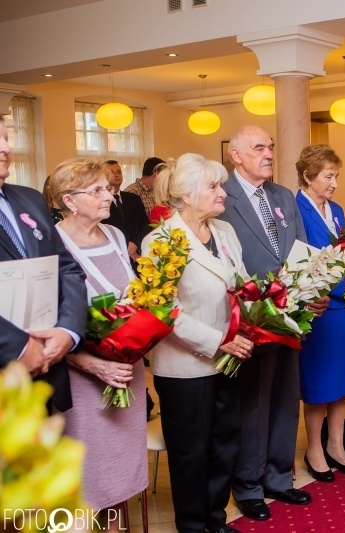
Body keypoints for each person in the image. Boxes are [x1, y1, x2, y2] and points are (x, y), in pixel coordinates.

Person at [217, 126, 325, 521]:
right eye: (258, 147)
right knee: (253, 402)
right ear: (236, 155)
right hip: (251, 317)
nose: (268, 153)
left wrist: (310, 289)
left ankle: (280, 477)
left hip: (292, 314)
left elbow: (302, 248)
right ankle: (247, 484)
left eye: (270, 146)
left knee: (284, 395)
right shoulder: (221, 197)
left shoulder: (281, 195)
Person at [142, 153, 253, 533]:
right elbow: (163, 310)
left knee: (225, 443)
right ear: (187, 195)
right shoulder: (159, 240)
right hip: (185, 365)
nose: (223, 193)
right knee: (191, 452)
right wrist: (217, 340)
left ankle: (215, 518)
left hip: (229, 358)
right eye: (214, 186)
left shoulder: (224, 232)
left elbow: (240, 284)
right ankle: (191, 524)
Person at [48, 158, 148, 526]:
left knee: (119, 480)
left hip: (126, 372)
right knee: (84, 481)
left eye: (109, 188)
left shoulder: (117, 236)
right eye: (99, 190)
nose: (110, 195)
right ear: (69, 200)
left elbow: (134, 298)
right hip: (82, 381)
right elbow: (46, 325)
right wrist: (93, 364)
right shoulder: (51, 244)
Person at [295, 144, 345, 481]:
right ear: (307, 176)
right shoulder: (295, 210)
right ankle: (314, 448)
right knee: (320, 382)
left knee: (342, 380)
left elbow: (344, 255)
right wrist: (344, 286)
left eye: (336, 176)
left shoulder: (338, 209)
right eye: (328, 176)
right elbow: (300, 263)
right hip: (320, 309)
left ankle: (337, 444)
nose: (334, 183)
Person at [0, 119, 86, 414]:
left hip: (48, 371)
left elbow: (68, 270)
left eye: (7, 138)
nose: (6, 148)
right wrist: (20, 346)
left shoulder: (30, 199)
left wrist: (67, 331)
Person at [102, 160, 149, 262]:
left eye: (119, 172)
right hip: (114, 257)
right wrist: (125, 249)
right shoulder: (100, 202)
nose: (117, 175)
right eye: (112, 172)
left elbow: (145, 225)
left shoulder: (133, 198)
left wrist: (135, 244)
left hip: (138, 256)